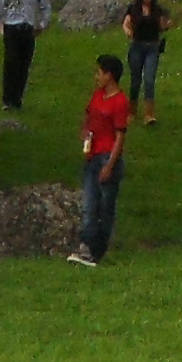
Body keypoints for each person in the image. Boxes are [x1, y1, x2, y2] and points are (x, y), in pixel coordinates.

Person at [71, 52, 131, 266]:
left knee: (105, 206)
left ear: (110, 75)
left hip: (106, 156)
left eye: (100, 72)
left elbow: (120, 136)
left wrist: (110, 164)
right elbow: (89, 116)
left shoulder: (120, 102)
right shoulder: (97, 95)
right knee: (89, 203)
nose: (97, 77)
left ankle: (97, 248)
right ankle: (87, 246)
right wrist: (85, 131)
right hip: (92, 154)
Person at [0, 0, 49, 114]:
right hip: (11, 28)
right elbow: (1, 7)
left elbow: (46, 7)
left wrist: (41, 25)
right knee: (11, 63)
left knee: (24, 65)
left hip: (27, 29)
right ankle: (7, 99)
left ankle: (17, 99)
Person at [120, 0, 169, 124]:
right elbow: (126, 23)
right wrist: (127, 31)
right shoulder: (133, 9)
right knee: (135, 80)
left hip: (152, 47)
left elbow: (161, 26)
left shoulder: (157, 10)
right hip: (137, 46)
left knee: (149, 79)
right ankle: (132, 111)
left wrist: (167, 24)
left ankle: (149, 114)